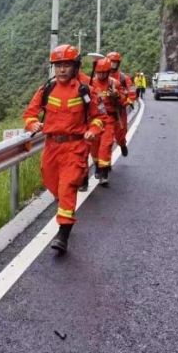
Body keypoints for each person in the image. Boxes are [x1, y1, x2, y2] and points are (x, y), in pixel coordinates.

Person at [23, 44, 105, 253]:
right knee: (51, 183)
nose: (61, 69)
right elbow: (30, 114)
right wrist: (33, 124)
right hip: (51, 147)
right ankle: (63, 205)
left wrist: (93, 131)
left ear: (75, 66)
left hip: (74, 147)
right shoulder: (47, 89)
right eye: (58, 65)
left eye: (66, 65)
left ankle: (64, 233)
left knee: (67, 186)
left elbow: (99, 118)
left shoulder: (85, 91)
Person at [90, 58, 127, 185]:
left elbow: (124, 99)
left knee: (105, 146)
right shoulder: (91, 83)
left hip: (109, 119)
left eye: (103, 72)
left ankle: (104, 173)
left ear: (108, 71)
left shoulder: (114, 83)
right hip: (95, 120)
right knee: (94, 147)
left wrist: (116, 96)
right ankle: (98, 167)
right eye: (98, 72)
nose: (101, 75)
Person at [106, 51, 134, 155]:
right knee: (106, 138)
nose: (112, 65)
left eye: (115, 62)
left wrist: (124, 102)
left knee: (121, 134)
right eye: (110, 62)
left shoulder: (124, 78)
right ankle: (106, 163)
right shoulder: (102, 77)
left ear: (118, 63)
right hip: (106, 112)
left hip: (120, 111)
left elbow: (132, 92)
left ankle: (122, 144)